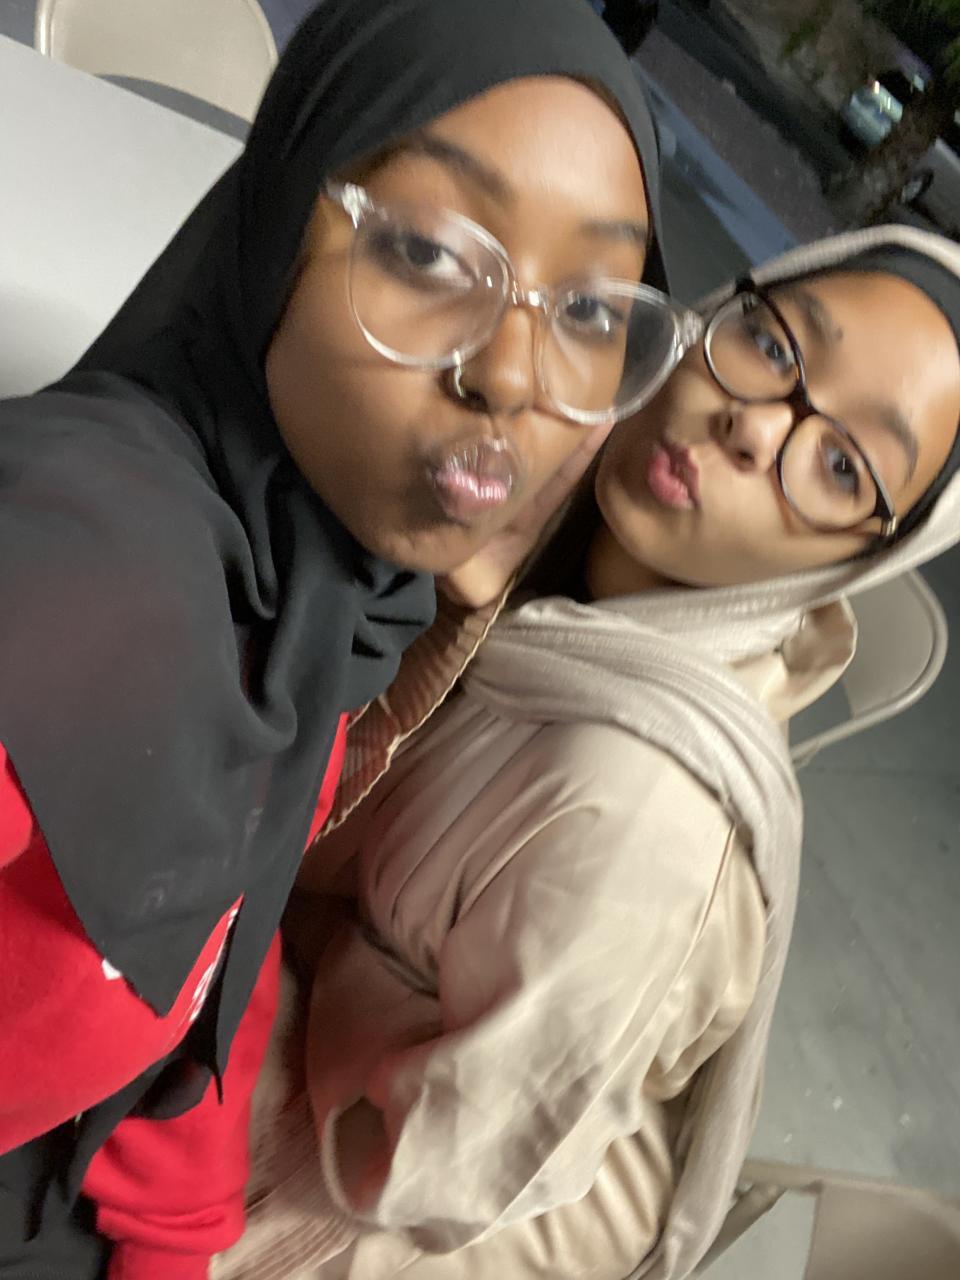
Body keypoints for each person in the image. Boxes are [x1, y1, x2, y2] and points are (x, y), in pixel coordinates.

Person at [0, 1, 673, 1275]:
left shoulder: (316, 623)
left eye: (590, 310)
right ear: (278, 227)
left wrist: (174, 1244)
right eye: (426, 250)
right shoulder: (81, 586)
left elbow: (202, 952)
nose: (512, 373)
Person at [212, 225, 960, 1280]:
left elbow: (431, 1164)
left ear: (852, 561)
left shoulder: (638, 819)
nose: (755, 429)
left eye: (843, 466)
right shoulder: (547, 497)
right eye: (774, 344)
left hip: (403, 1180)